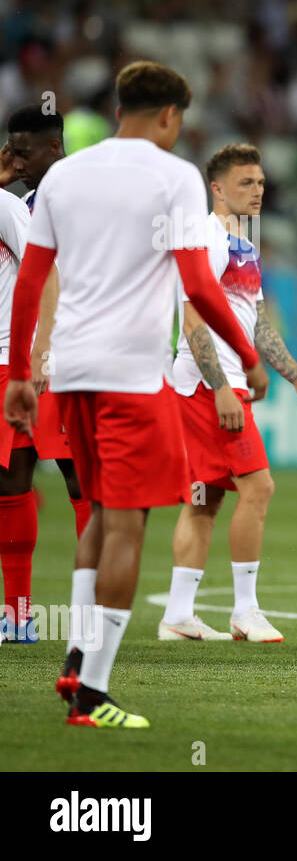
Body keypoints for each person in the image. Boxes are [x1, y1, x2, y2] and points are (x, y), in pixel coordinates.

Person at [3, 61, 266, 727]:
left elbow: (31, 283)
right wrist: (245, 355)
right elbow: (200, 288)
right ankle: (91, 693)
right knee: (127, 524)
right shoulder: (173, 177)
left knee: (95, 516)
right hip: (130, 377)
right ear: (171, 116)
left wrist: (19, 377)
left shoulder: (63, 176)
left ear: (121, 107)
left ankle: (74, 662)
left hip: (69, 375)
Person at [162, 143, 297, 643]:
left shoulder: (244, 245)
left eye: (260, 182)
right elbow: (190, 316)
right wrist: (221, 389)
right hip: (208, 384)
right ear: (216, 188)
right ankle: (245, 610)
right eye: (245, 183)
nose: (257, 192)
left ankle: (178, 614)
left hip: (218, 382)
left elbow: (255, 323)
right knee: (258, 488)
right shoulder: (205, 238)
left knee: (204, 498)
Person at [0, 106, 90, 644]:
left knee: (82, 479)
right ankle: (18, 614)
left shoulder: (88, 195)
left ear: (53, 147)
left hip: (78, 355)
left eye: (22, 148)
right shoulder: (22, 204)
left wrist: (45, 350)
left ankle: (91, 616)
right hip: (32, 356)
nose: (14, 157)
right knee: (15, 478)